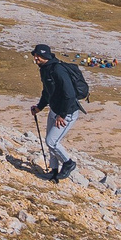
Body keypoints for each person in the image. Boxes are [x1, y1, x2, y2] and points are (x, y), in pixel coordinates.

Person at [27, 44, 88, 181]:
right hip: (55, 111)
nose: (35, 58)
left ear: (45, 56)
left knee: (51, 141)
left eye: (38, 56)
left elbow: (70, 95)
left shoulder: (58, 70)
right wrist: (39, 107)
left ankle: (68, 163)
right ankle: (54, 173)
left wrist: (62, 115)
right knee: (51, 142)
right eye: (35, 55)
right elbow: (47, 91)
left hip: (67, 113)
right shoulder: (44, 69)